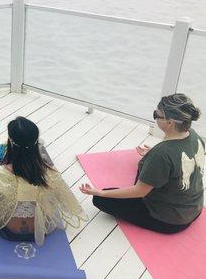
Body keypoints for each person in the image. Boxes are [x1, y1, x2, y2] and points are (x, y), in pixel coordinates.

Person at [80, 93, 204, 233]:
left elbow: (139, 191)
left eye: (156, 115)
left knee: (100, 200)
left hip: (173, 220)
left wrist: (100, 192)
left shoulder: (161, 154)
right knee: (147, 164)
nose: (155, 117)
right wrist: (152, 156)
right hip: (195, 207)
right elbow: (184, 158)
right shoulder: (194, 135)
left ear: (170, 122)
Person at [0, 117, 86, 245]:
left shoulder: (0, 174)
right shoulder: (50, 174)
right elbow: (64, 200)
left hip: (10, 232)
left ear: (10, 143)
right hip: (41, 229)